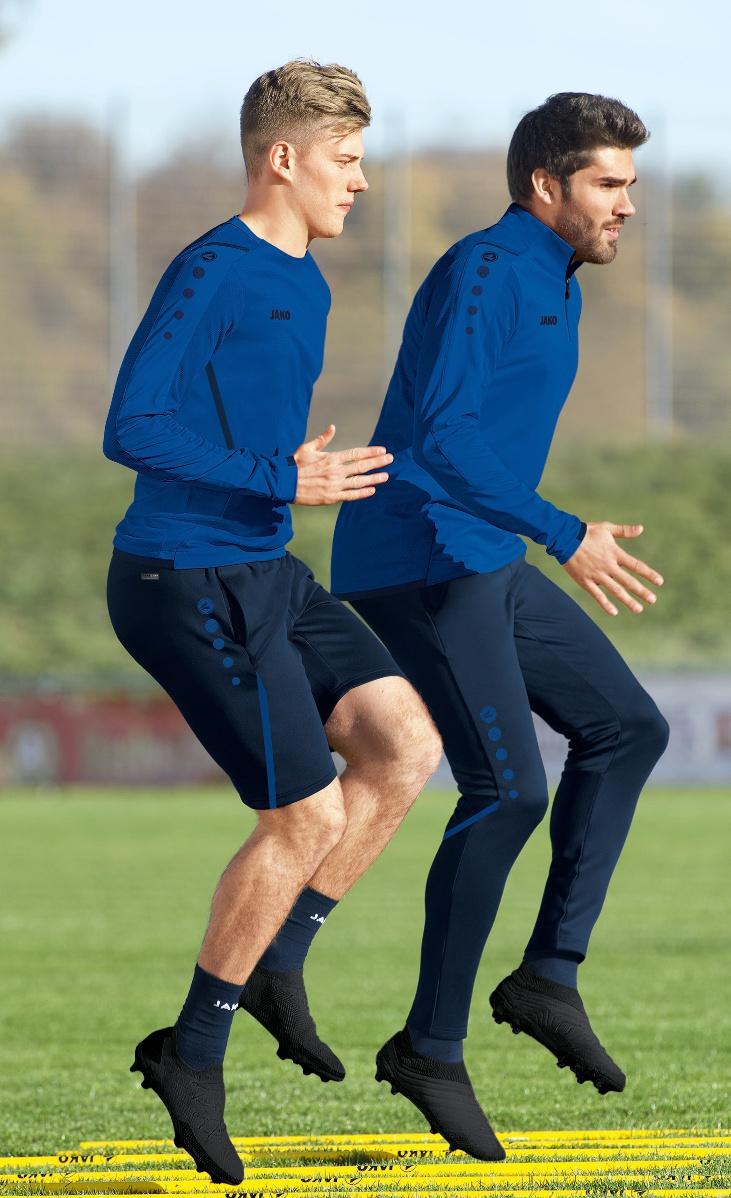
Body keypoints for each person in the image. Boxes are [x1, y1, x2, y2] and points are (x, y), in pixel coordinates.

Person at [103, 59, 444, 1185]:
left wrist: (281, 474)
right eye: (345, 159)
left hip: (265, 567)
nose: (360, 180)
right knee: (302, 816)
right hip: (182, 577)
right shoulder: (211, 268)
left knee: (406, 744)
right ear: (281, 158)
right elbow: (130, 426)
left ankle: (279, 960)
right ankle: (191, 1055)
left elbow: (238, 438)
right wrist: (275, 475)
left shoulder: (313, 282)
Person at [330, 92, 670, 1155]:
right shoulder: (485, 269)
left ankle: (546, 977)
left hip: (479, 554)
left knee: (627, 728)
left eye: (629, 184)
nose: (626, 205)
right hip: (419, 556)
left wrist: (541, 534)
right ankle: (428, 1048)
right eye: (607, 183)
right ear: (543, 184)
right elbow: (437, 441)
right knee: (506, 788)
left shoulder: (558, 280)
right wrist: (564, 533)